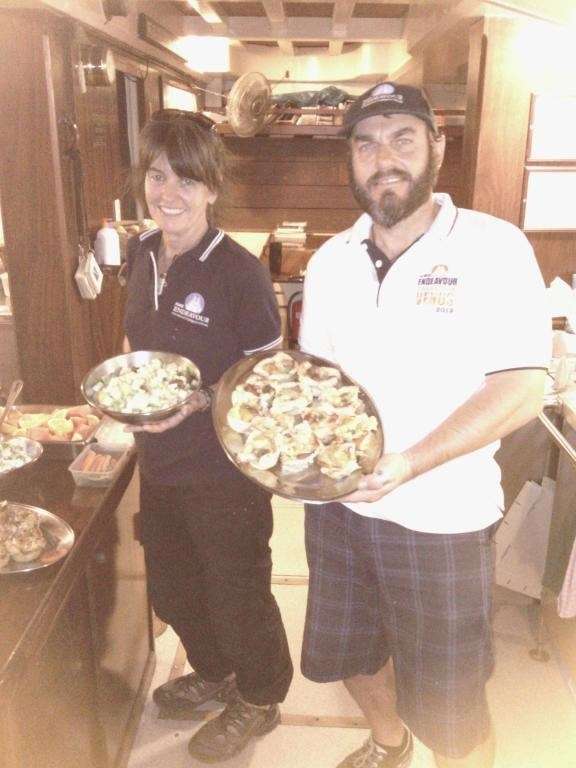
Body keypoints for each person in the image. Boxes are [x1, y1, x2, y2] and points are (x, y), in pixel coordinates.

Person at [298, 83, 551, 768]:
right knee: (349, 658)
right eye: (366, 142)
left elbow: (524, 384)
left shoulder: (493, 248)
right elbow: (316, 387)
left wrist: (409, 462)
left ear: (437, 147)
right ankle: (389, 743)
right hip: (338, 508)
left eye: (403, 137)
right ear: (349, 160)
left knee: (453, 700)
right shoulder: (329, 262)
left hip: (442, 518)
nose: (384, 157)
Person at [123, 109, 293, 763]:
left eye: (187, 181)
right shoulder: (142, 255)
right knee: (172, 586)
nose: (170, 194)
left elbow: (268, 379)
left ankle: (259, 697)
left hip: (225, 468)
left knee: (235, 590)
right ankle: (217, 673)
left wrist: (195, 402)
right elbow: (144, 346)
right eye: (160, 176)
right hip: (160, 460)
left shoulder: (239, 274)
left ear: (212, 188)